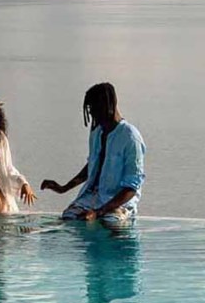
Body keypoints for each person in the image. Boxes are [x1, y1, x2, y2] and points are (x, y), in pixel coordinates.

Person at [40, 82, 146, 225]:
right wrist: (63, 188)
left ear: (108, 105)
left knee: (109, 223)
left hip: (119, 202)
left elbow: (132, 187)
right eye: (90, 108)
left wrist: (99, 212)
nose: (91, 113)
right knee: (69, 217)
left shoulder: (130, 138)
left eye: (94, 108)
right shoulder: (97, 132)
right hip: (93, 197)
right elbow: (92, 166)